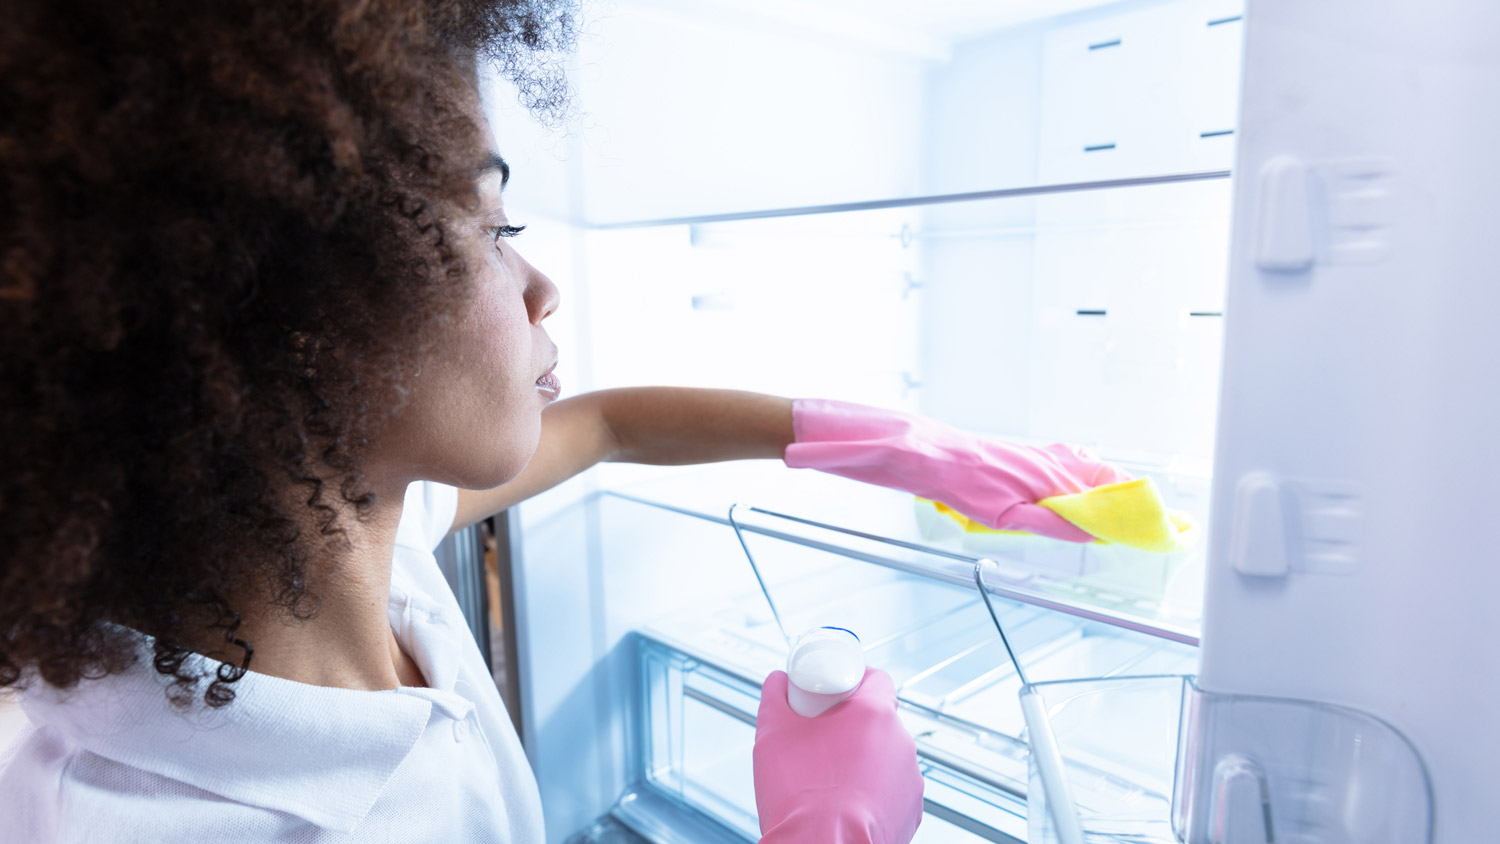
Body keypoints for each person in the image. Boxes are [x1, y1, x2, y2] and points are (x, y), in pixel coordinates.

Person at [0, 1, 1125, 842]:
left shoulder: (334, 543)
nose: (543, 285)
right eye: (494, 226)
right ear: (298, 314)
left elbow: (607, 425)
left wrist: (905, 447)